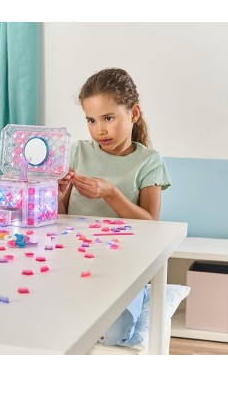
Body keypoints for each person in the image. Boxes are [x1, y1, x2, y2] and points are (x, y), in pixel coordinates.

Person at [58, 68, 171, 347]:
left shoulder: (149, 161)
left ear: (133, 114)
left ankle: (141, 295)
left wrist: (111, 194)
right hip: (74, 258)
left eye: (108, 118)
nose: (100, 129)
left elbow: (151, 223)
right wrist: (58, 195)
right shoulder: (77, 152)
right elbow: (61, 216)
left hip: (124, 264)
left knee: (112, 333)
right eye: (91, 120)